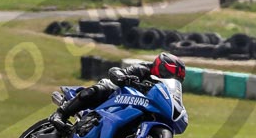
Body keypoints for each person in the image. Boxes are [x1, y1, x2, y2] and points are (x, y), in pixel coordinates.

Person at [50, 52, 186, 132]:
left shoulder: (165, 88)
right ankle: (61, 114)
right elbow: (117, 72)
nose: (171, 79)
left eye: (176, 78)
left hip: (137, 107)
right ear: (161, 67)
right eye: (170, 74)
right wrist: (122, 77)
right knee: (102, 88)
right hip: (117, 95)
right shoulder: (143, 69)